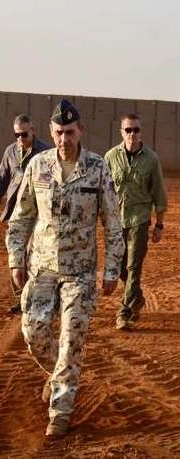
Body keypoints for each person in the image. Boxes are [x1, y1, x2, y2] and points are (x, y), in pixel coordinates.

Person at [6, 99, 124, 436]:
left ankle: (60, 411)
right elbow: (21, 218)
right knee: (34, 334)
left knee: (71, 340)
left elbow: (113, 223)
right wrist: (16, 260)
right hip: (42, 268)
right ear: (51, 132)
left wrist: (112, 268)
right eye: (58, 132)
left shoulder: (98, 168)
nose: (63, 139)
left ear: (80, 131)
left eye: (69, 132)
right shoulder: (38, 166)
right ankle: (58, 374)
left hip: (80, 272)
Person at [104, 113, 168, 331]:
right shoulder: (111, 157)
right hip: (115, 220)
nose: (132, 134)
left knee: (134, 266)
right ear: (121, 132)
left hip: (140, 220)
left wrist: (159, 224)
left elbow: (159, 192)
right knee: (121, 267)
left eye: (136, 130)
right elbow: (102, 191)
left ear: (141, 132)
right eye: (128, 130)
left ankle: (125, 312)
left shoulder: (151, 159)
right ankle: (137, 297)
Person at [1, 114, 51, 314]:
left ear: (33, 130)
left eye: (24, 134)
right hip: (15, 213)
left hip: (38, 213)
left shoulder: (45, 152)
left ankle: (30, 296)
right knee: (16, 255)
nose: (20, 138)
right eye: (17, 135)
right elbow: (2, 178)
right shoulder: (11, 152)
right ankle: (20, 297)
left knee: (31, 255)